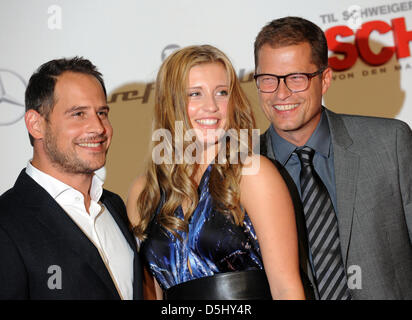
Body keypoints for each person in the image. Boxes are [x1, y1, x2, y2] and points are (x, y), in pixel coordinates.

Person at [127, 45, 305, 300]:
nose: (211, 106)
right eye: (195, 94)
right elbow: (151, 293)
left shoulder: (253, 174)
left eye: (222, 93)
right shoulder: (145, 191)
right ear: (171, 103)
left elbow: (286, 289)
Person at [255, 16, 412, 299]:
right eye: (268, 79)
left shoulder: (390, 142)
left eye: (296, 78)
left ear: (325, 79)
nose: (281, 93)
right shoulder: (241, 170)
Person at [0, 57, 143, 299]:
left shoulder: (114, 206)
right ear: (36, 124)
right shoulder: (6, 223)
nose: (98, 127)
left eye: (102, 112)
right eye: (78, 114)